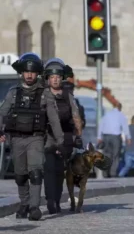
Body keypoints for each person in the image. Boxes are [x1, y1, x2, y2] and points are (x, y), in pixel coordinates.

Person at [0, 53, 65, 221]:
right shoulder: (13, 93)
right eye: (26, 72)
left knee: (35, 172)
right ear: (22, 72)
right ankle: (24, 203)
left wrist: (60, 141)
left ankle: (35, 207)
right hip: (16, 139)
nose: (29, 75)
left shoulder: (45, 94)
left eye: (33, 72)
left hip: (36, 138)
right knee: (20, 175)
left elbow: (53, 119)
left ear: (38, 73)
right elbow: (2, 113)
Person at [43, 58, 84, 214]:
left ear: (62, 78)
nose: (55, 79)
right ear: (48, 78)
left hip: (65, 136)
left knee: (60, 170)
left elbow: (76, 116)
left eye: (58, 77)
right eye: (52, 77)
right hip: (47, 136)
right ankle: (50, 200)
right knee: (49, 169)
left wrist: (78, 136)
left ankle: (57, 200)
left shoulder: (67, 95)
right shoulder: (43, 94)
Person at [98, 103, 131, 177]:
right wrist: (128, 137)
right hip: (116, 138)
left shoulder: (107, 114)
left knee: (106, 155)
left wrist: (99, 137)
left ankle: (105, 173)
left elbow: (101, 124)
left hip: (105, 137)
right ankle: (113, 173)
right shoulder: (120, 115)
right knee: (115, 155)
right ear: (119, 108)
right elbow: (125, 127)